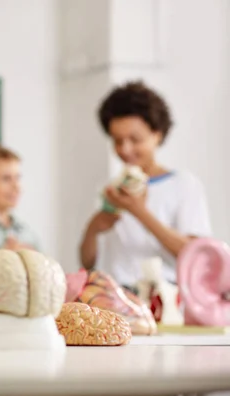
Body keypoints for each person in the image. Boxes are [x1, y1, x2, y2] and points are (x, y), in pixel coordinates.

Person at [79, 81, 212, 290]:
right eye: (117, 140)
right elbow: (87, 263)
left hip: (166, 299)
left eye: (135, 139)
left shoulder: (183, 185)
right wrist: (93, 228)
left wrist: (139, 211)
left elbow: (198, 257)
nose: (125, 149)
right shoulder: (109, 189)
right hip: (114, 296)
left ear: (157, 134)